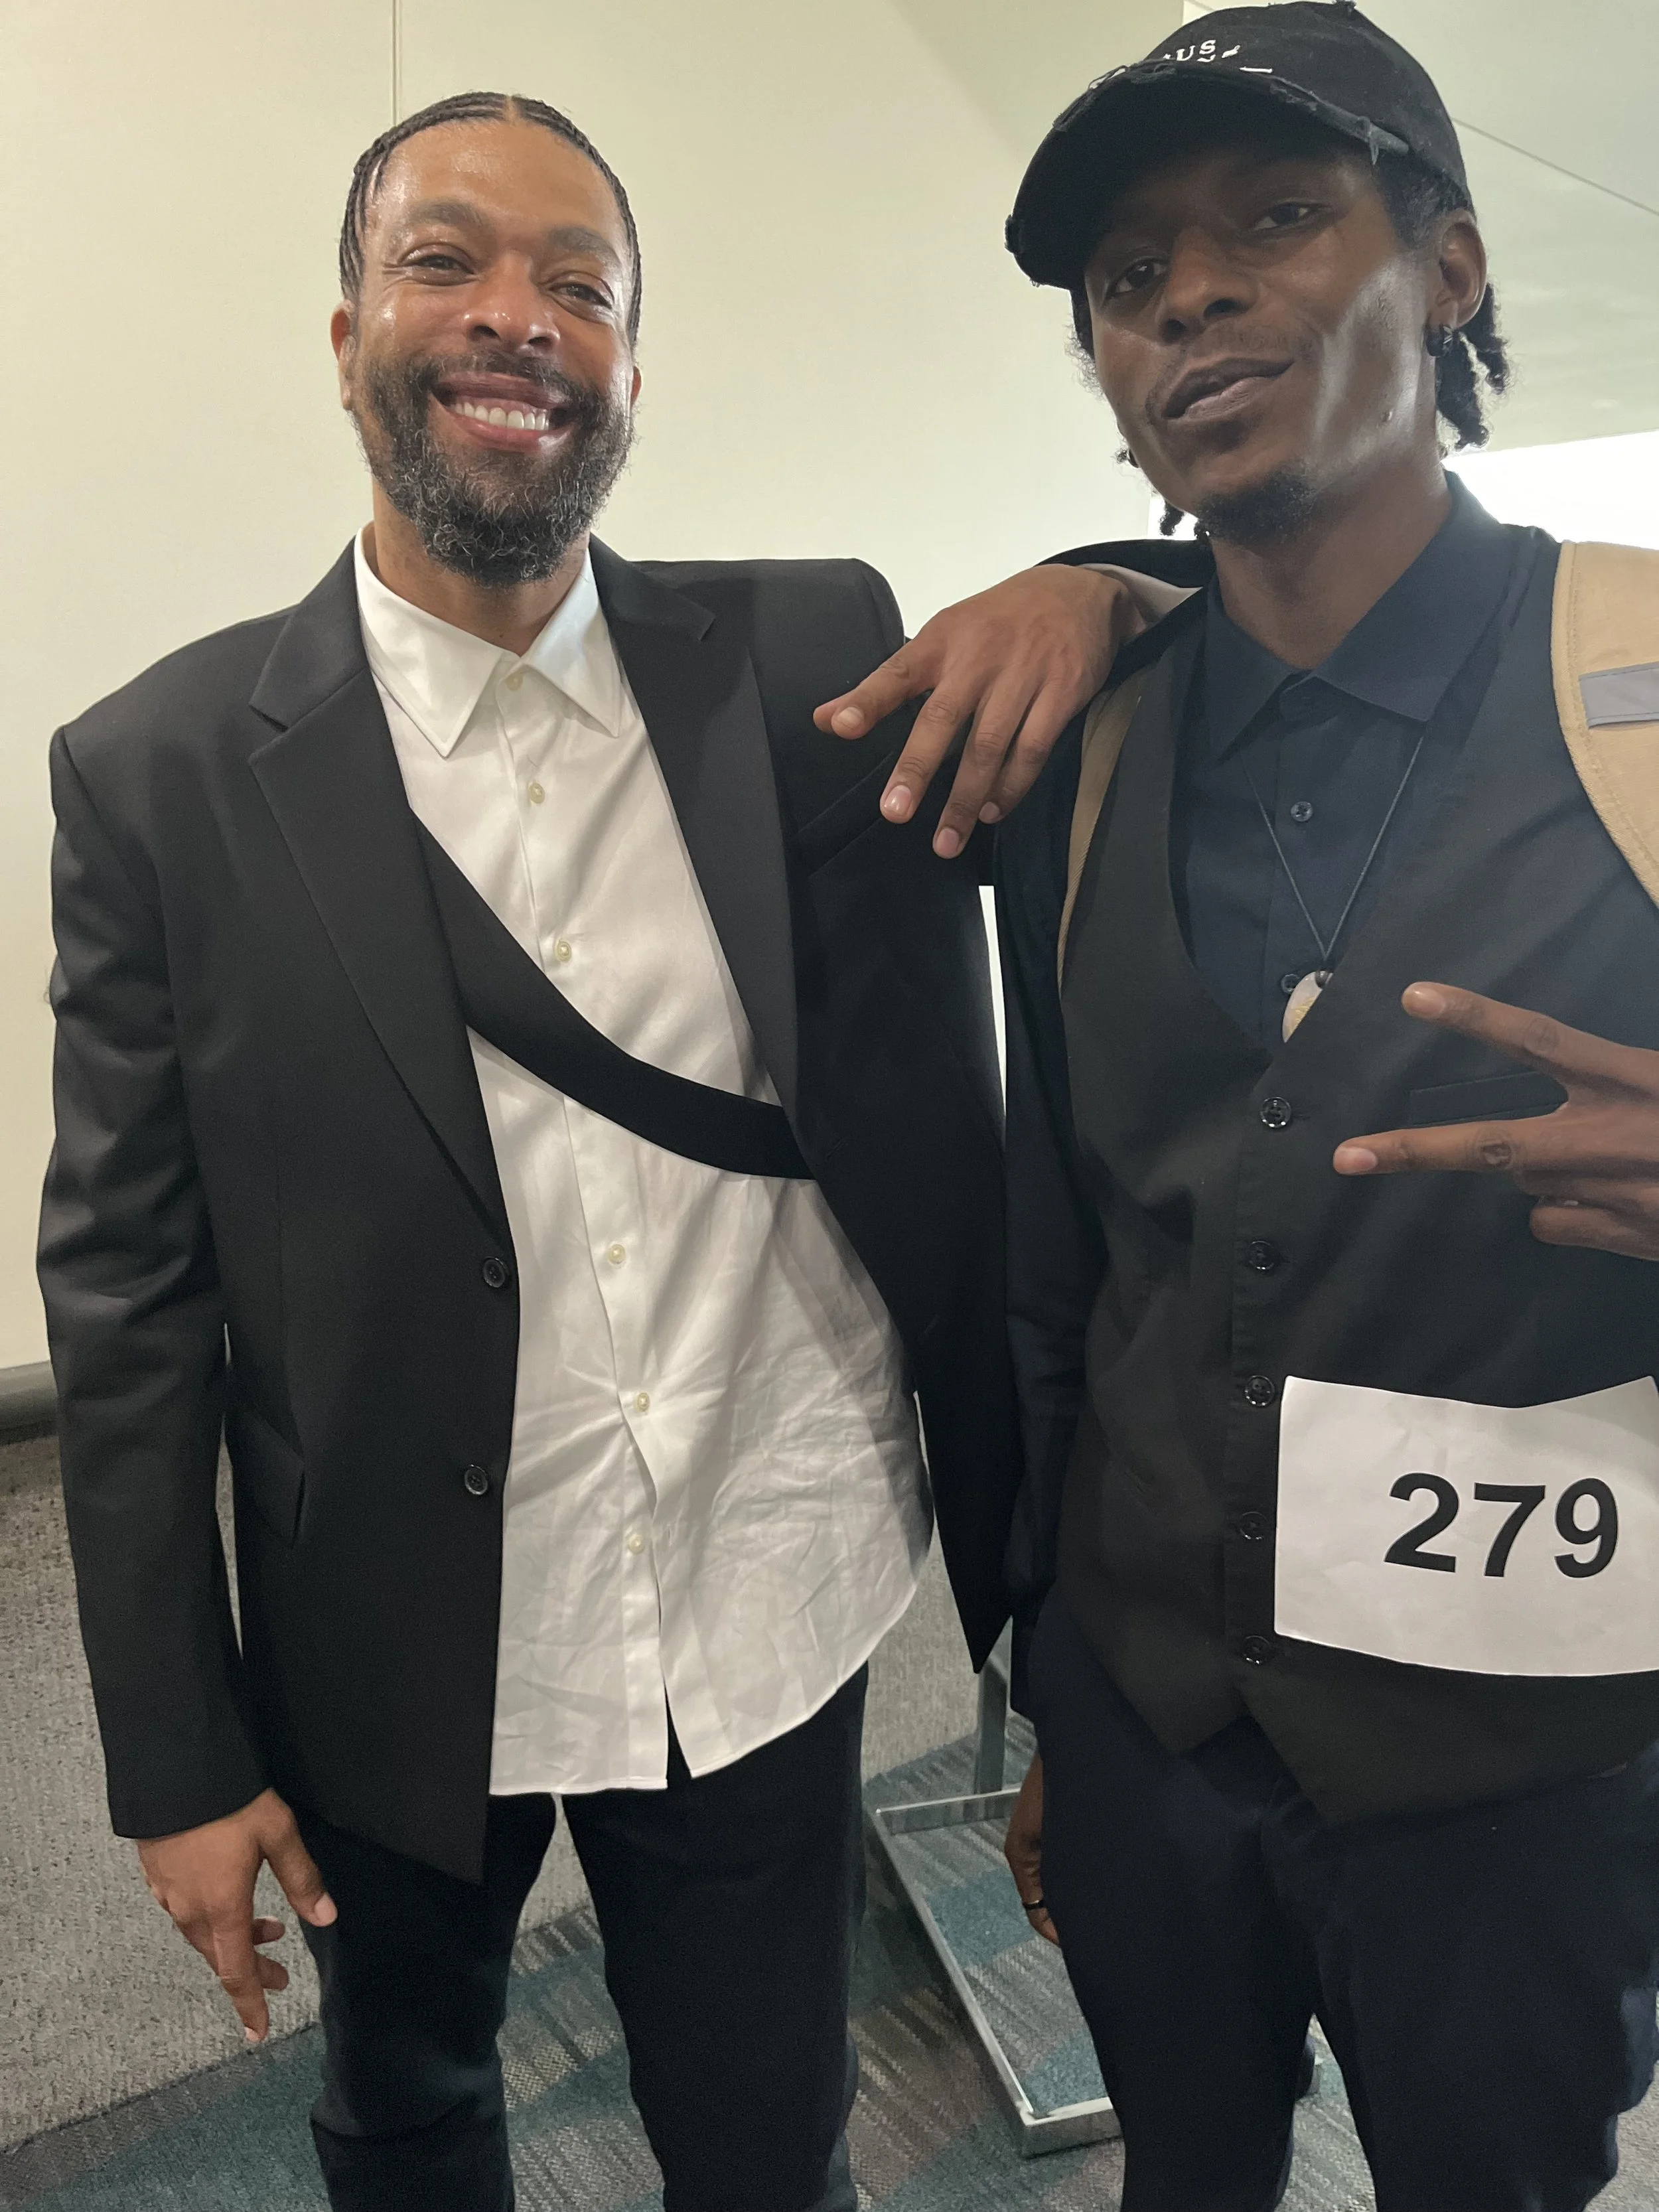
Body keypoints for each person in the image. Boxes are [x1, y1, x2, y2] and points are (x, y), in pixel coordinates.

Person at [35, 92, 1140, 2212]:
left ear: (635, 357)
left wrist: (1107, 579)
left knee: (763, 2130)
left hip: (764, 1579)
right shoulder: (162, 774)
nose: (513, 317)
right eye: (446, 260)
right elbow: (128, 1295)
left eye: (579, 284)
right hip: (391, 1638)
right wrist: (176, 1756)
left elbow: (1209, 634)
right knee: (415, 2109)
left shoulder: (812, 654)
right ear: (344, 323)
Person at [854, 4, 1659, 2206]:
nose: (1187, 294)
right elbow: (1061, 1253)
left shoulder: (1639, 688)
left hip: (1524, 1756)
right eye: (1126, 277)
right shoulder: (1084, 736)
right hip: (1146, 1723)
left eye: (1277, 218)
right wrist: (1046, 1683)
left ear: (1455, 273)